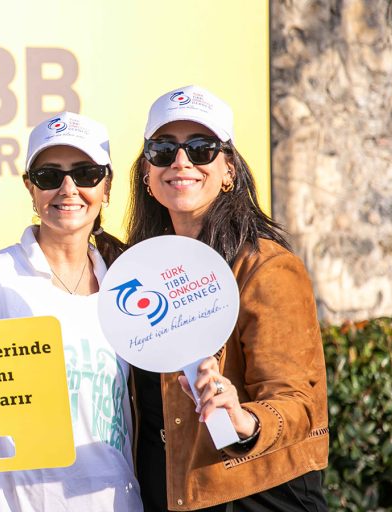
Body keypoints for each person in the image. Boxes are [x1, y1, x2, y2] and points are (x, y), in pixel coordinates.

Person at [125, 85, 329, 511]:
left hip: (254, 496)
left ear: (229, 170)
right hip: (168, 493)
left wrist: (244, 419)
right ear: (147, 171)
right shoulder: (137, 270)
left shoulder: (265, 267)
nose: (181, 162)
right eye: (163, 150)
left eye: (201, 148)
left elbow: (297, 400)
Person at [0, 111, 143, 511]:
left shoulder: (127, 284)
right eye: (49, 176)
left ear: (107, 186)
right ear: (30, 187)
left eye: (85, 174)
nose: (68, 189)